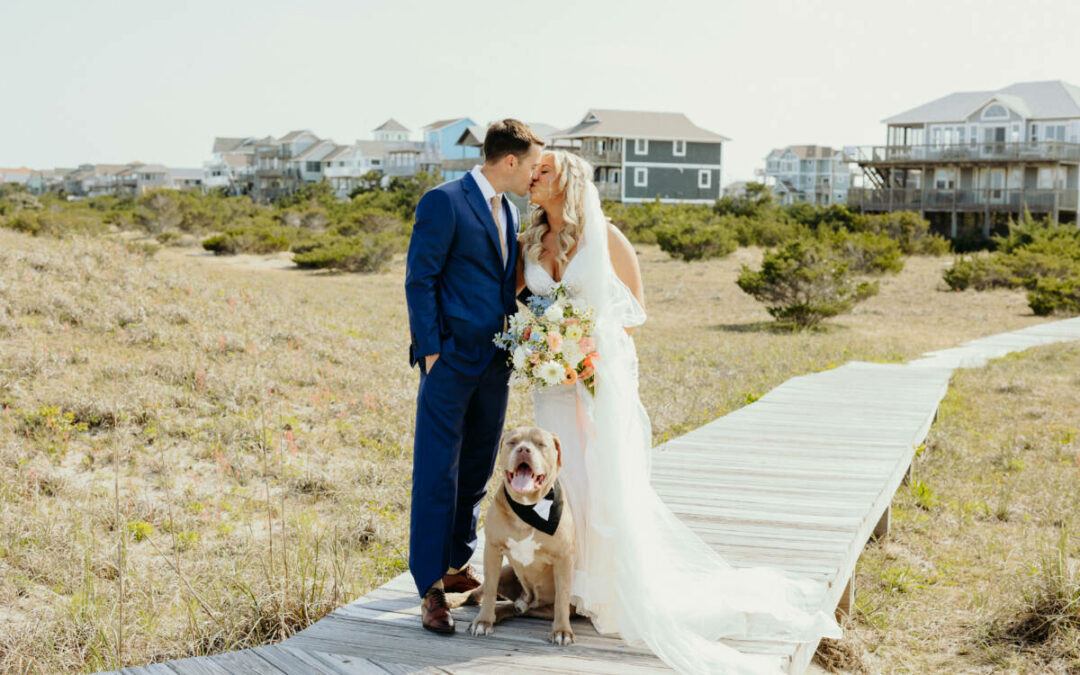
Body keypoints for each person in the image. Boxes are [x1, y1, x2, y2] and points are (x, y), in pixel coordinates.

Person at [516, 150, 842, 674]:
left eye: (543, 171)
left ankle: (604, 584)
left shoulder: (606, 236)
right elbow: (516, 305)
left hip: (597, 375)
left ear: (569, 180)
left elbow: (635, 309)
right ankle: (566, 582)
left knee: (601, 472)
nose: (533, 177)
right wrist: (540, 344)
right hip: (552, 382)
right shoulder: (529, 242)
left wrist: (584, 343)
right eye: (531, 172)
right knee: (562, 475)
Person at [404, 119, 544, 634]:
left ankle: (455, 563)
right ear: (510, 161)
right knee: (437, 470)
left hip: (495, 365)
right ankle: (428, 587)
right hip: (450, 362)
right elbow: (421, 279)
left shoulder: (508, 211)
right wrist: (432, 352)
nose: (534, 175)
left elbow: (507, 286)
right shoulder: (444, 201)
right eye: (531, 165)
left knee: (478, 467)